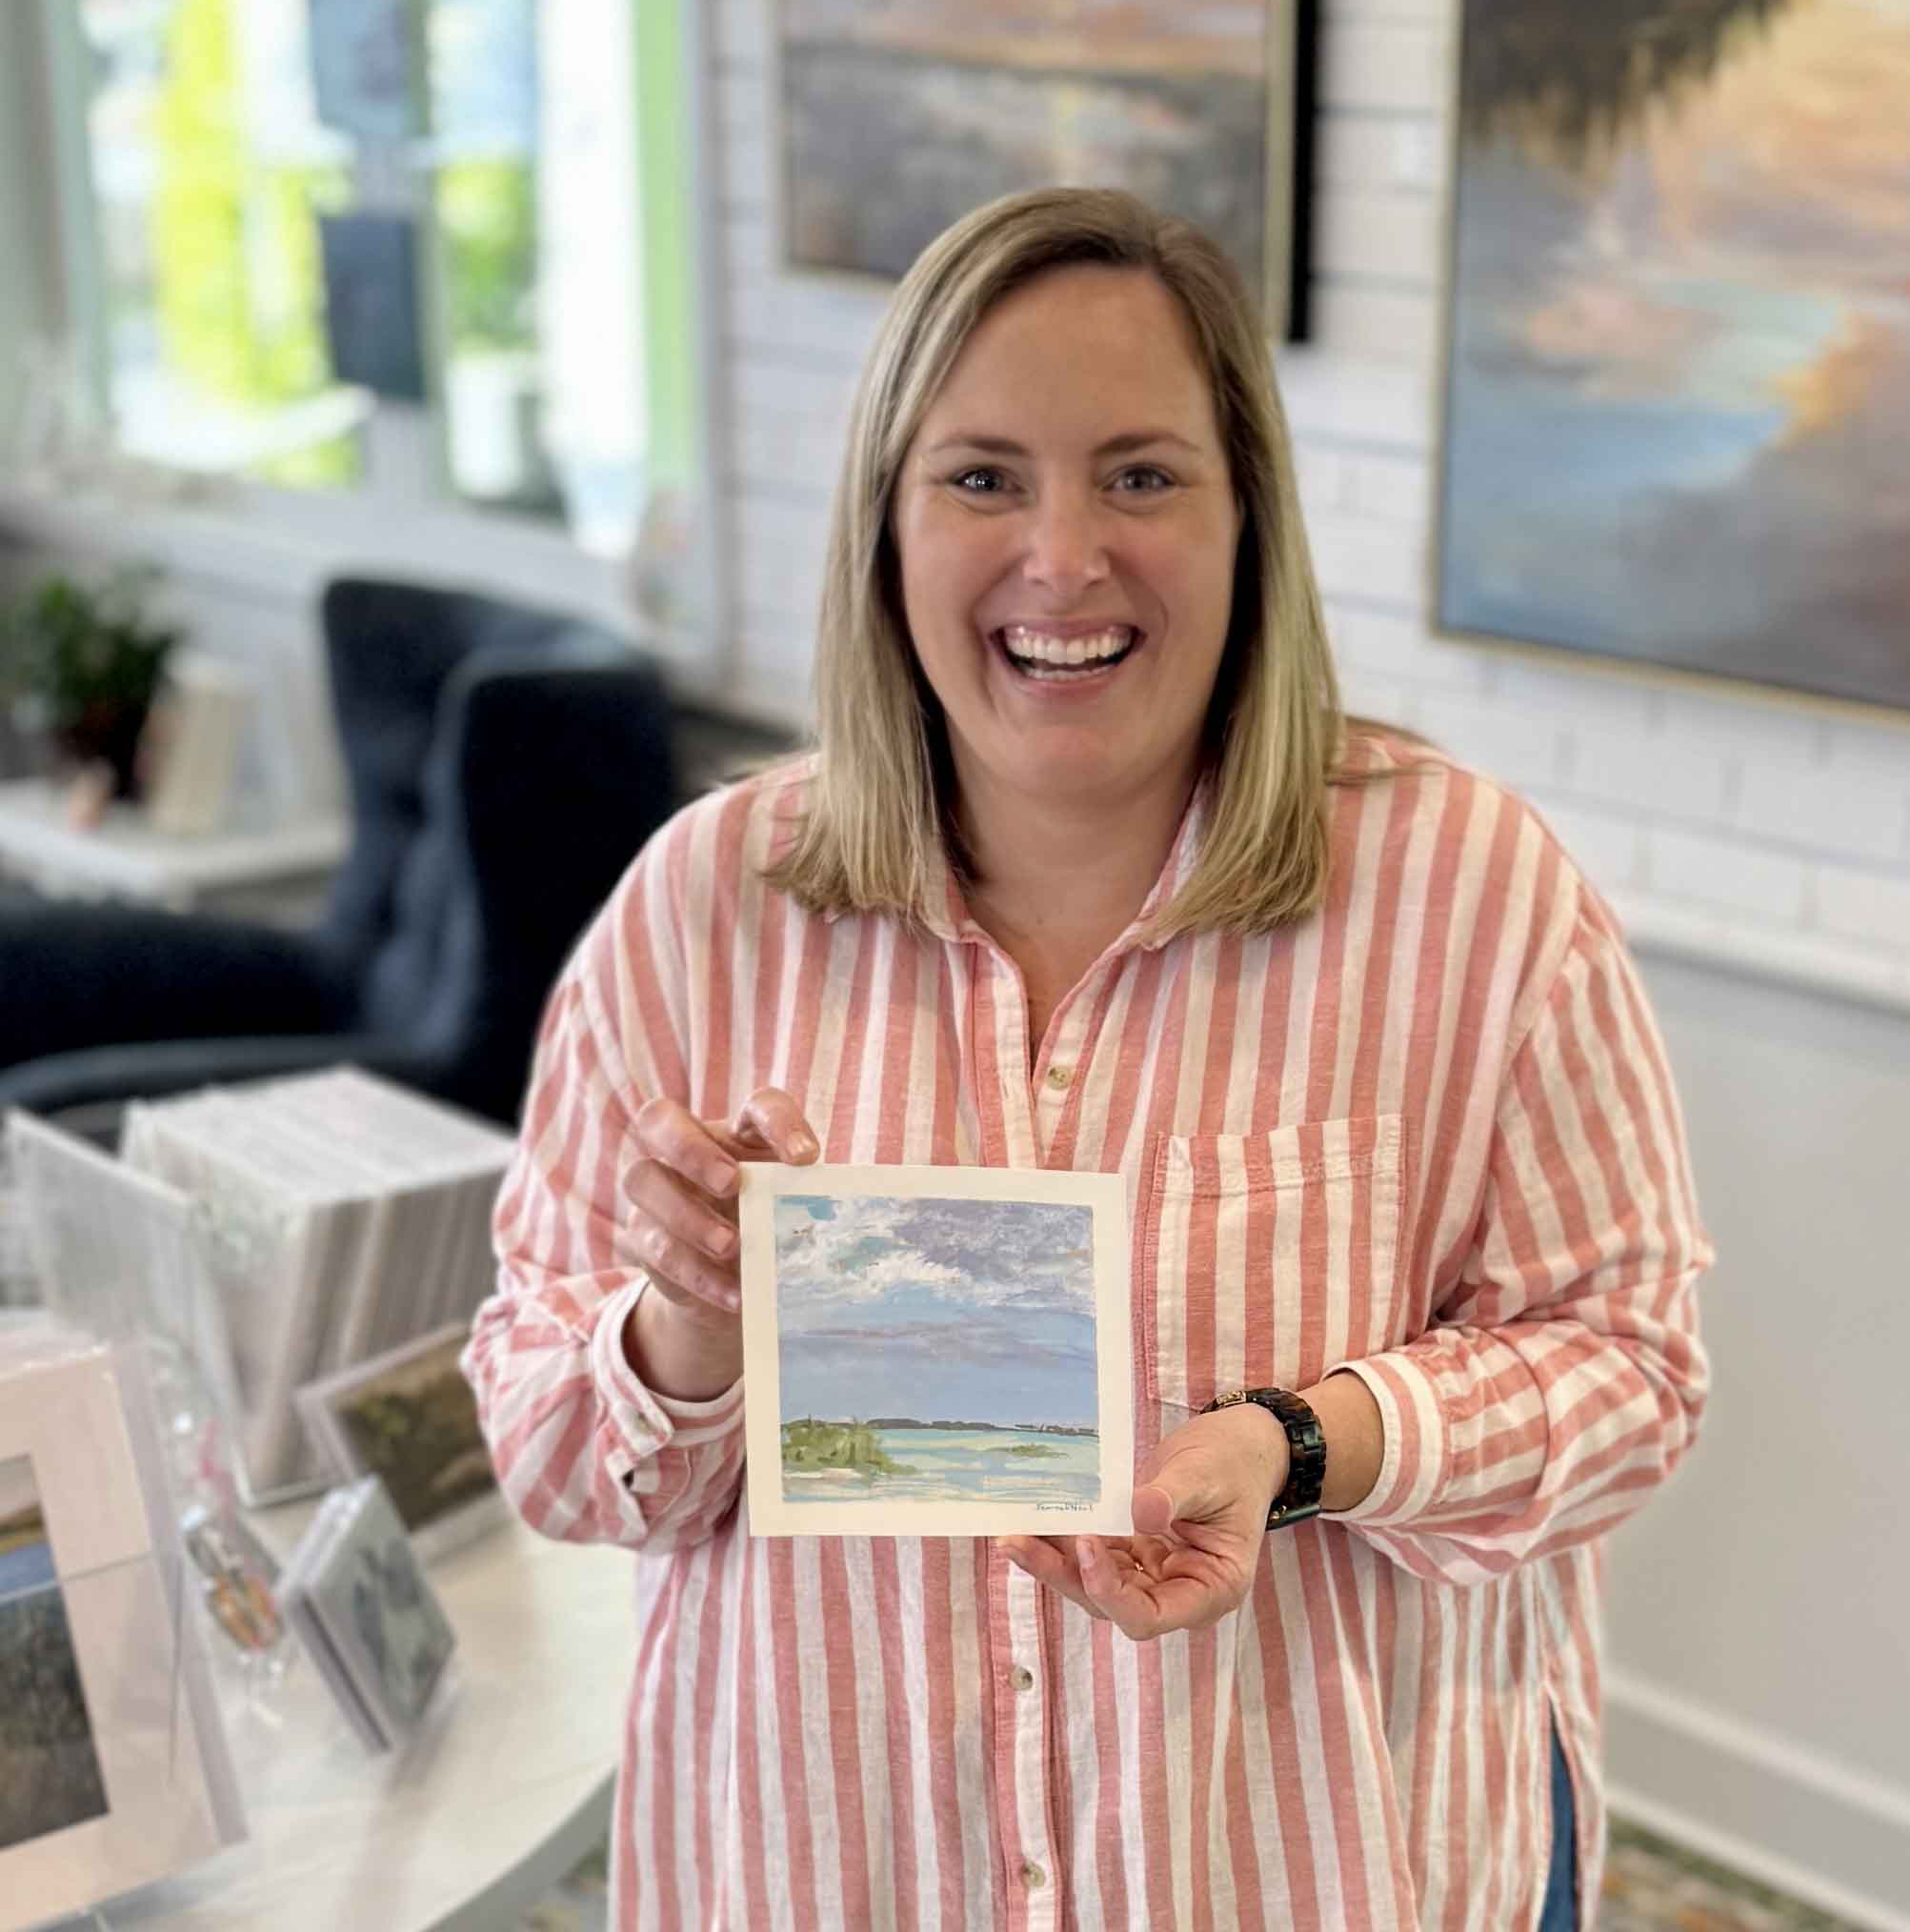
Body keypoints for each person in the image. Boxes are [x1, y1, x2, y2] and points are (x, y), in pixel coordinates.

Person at [463, 187, 1712, 1932]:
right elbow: (542, 1447)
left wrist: (1302, 1441)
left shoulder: (1474, 898)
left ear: (1246, 521)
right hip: (838, 1872)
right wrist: (685, 1331)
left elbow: (1632, 1373)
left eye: (1140, 474)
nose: (1063, 558)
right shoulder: (702, 914)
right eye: (982, 477)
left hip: (1318, 1875)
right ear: (886, 529)